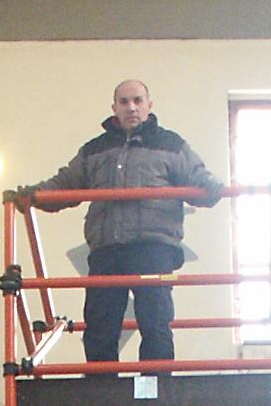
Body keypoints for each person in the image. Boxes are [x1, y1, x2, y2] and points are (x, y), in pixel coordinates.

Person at [27, 81, 223, 370]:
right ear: (114, 108)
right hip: (107, 249)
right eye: (124, 101)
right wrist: (33, 196)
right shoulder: (95, 149)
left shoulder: (172, 145)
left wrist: (214, 186)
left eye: (137, 100)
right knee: (100, 324)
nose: (131, 107)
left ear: (149, 105)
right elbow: (65, 183)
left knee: (154, 321)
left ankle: (154, 391)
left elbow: (199, 178)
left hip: (153, 248)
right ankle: (103, 393)